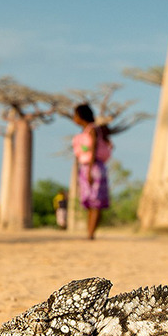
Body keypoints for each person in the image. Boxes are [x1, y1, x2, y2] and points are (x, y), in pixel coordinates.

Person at [72, 103, 112, 240]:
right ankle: (90, 232)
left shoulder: (93, 130)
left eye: (75, 115)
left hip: (93, 167)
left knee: (96, 201)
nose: (74, 118)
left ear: (81, 116)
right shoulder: (85, 132)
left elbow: (94, 148)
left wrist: (89, 171)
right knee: (89, 201)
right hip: (86, 167)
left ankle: (91, 234)